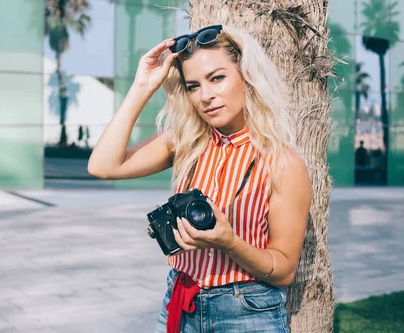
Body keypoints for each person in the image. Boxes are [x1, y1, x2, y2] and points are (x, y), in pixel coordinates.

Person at [88, 25, 312, 332]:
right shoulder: (185, 142)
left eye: (217, 78)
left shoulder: (282, 163)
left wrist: (229, 242)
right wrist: (142, 86)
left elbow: (284, 270)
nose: (206, 96)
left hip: (246, 312)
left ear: (246, 76)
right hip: (180, 300)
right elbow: (103, 166)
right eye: (193, 86)